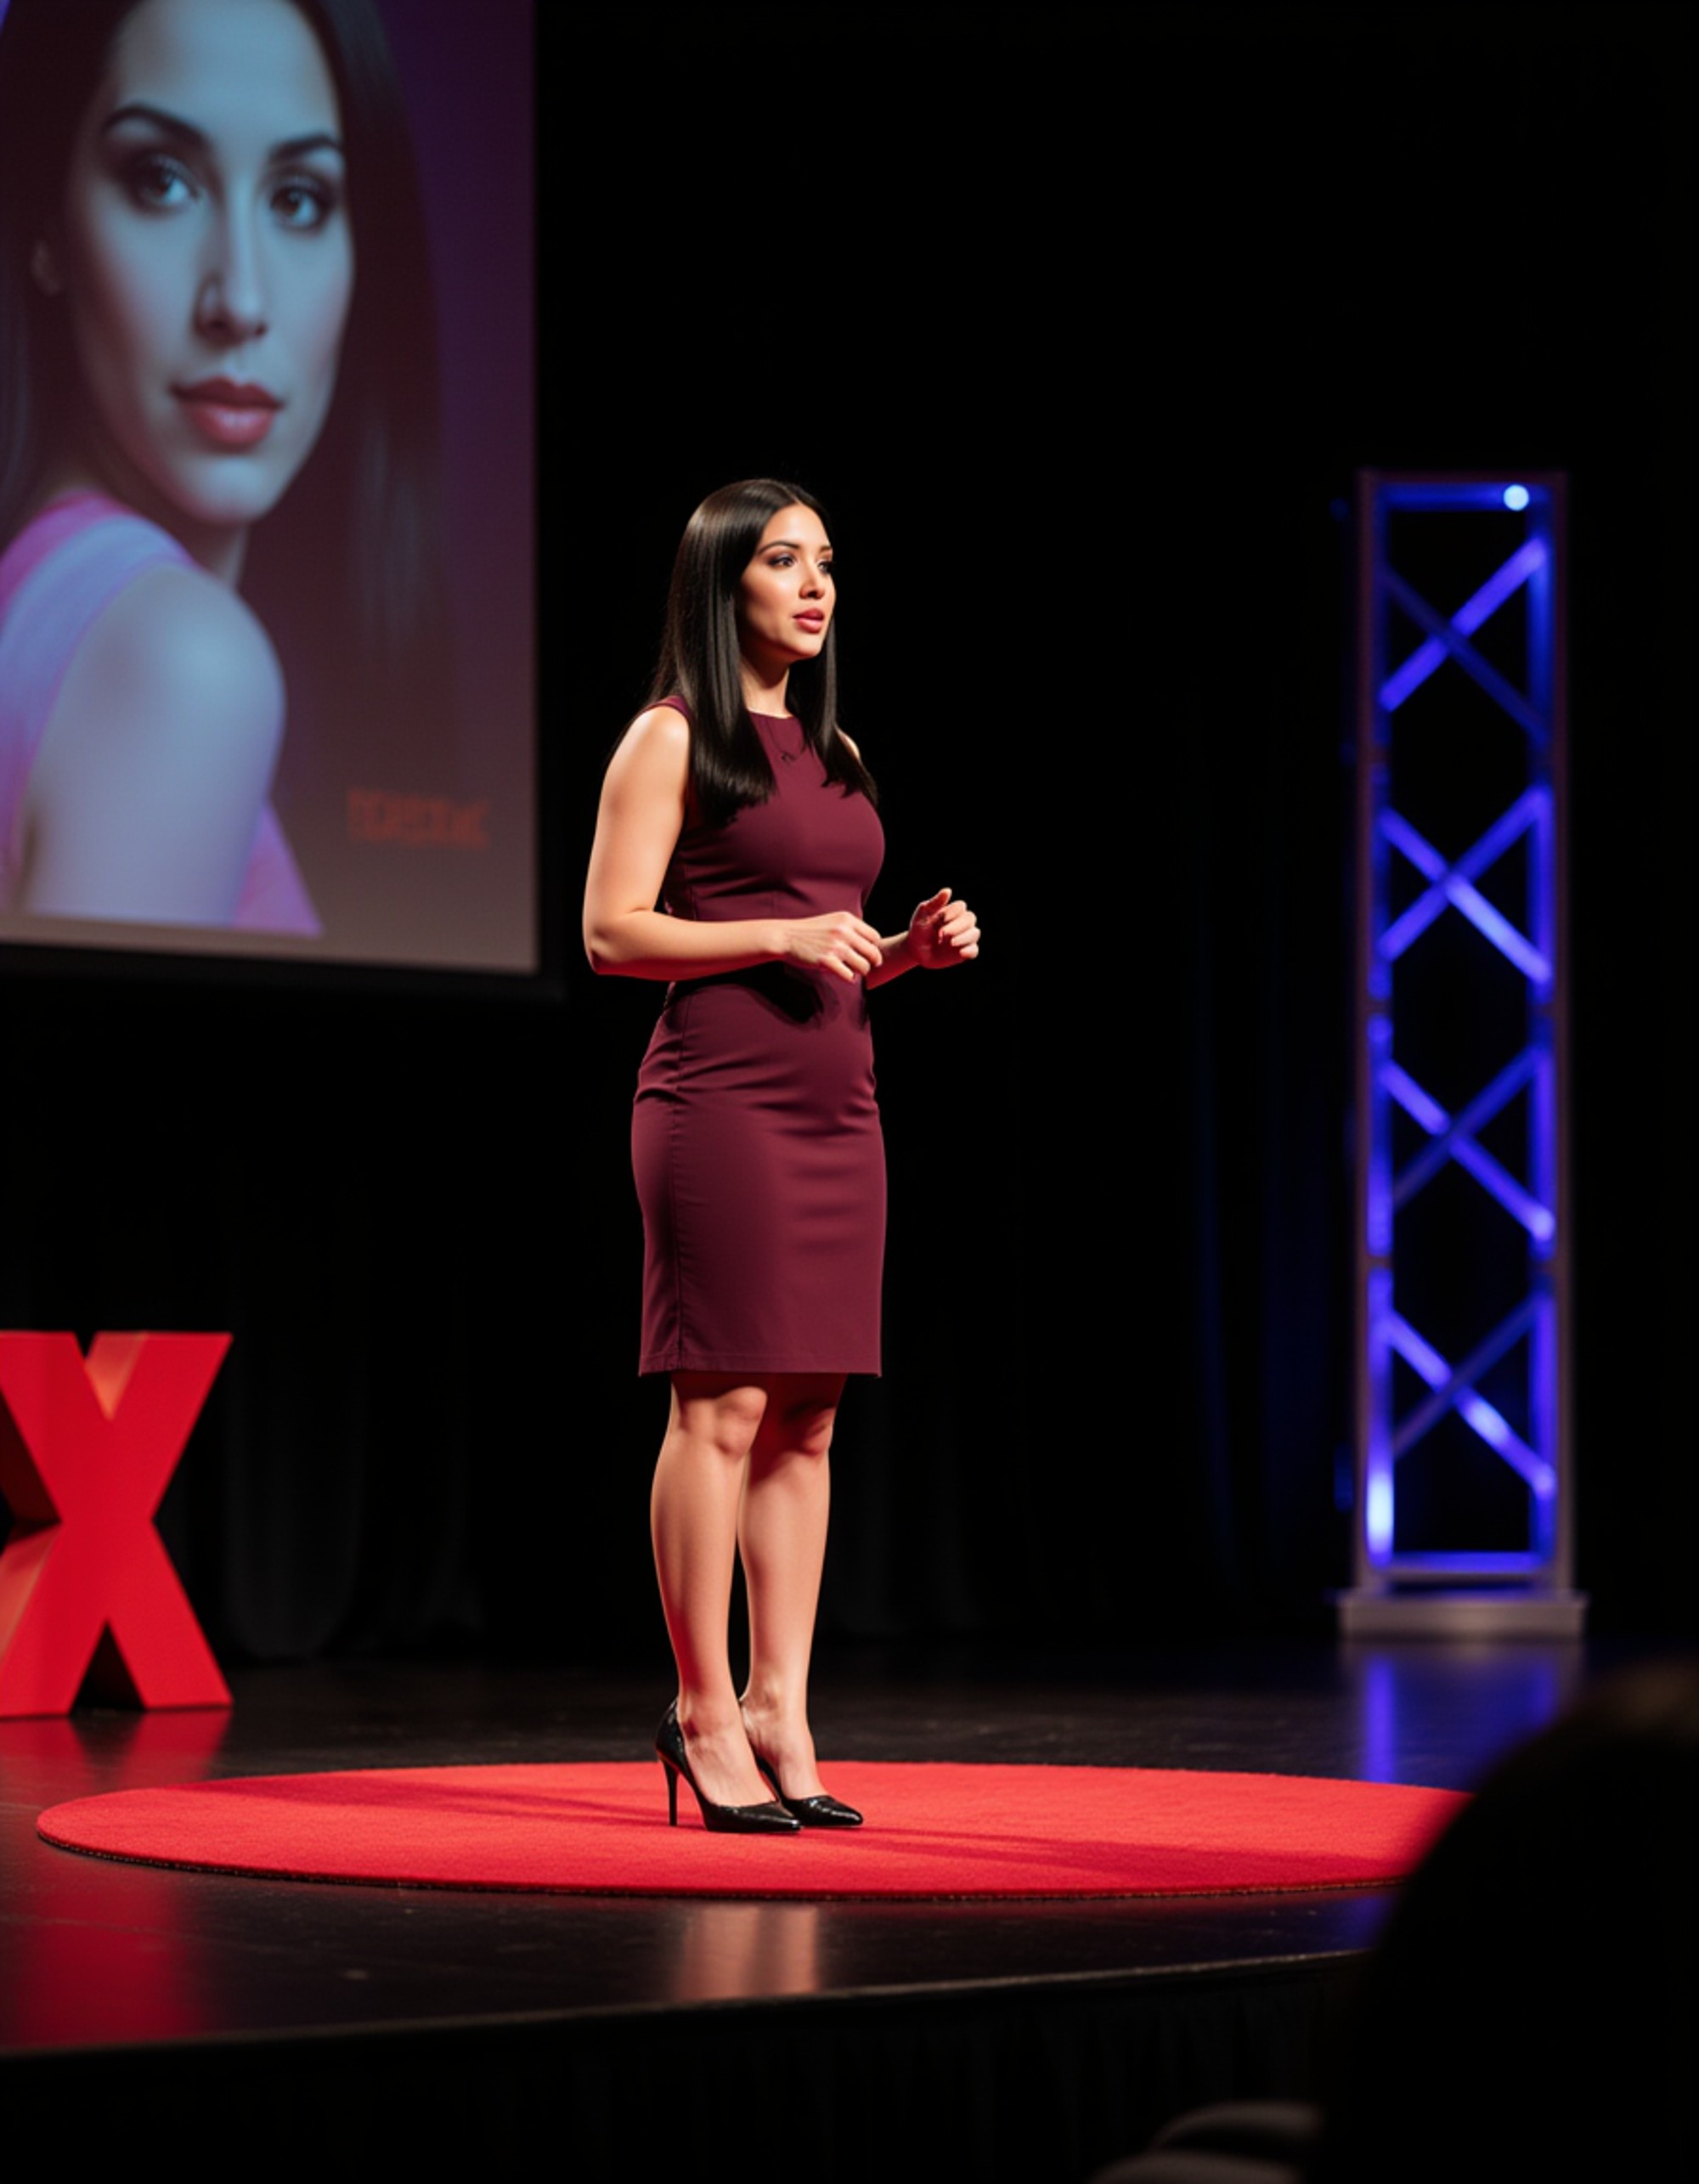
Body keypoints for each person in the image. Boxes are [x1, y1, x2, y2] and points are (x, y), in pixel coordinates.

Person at [584, 478, 980, 1832]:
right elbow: (612, 932)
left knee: (809, 1415)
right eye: (782, 562)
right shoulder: (671, 736)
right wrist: (781, 934)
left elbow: (833, 942)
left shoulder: (838, 747)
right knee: (722, 1408)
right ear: (720, 583)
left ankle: (779, 1705)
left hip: (838, 1106)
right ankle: (700, 1709)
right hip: (716, 1103)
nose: (814, 585)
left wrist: (907, 954)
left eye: (825, 561)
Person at [0, 0, 450, 933]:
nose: (240, 299)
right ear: (44, 223)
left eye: (298, 199)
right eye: (161, 180)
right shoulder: (179, 662)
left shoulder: (44, 599)